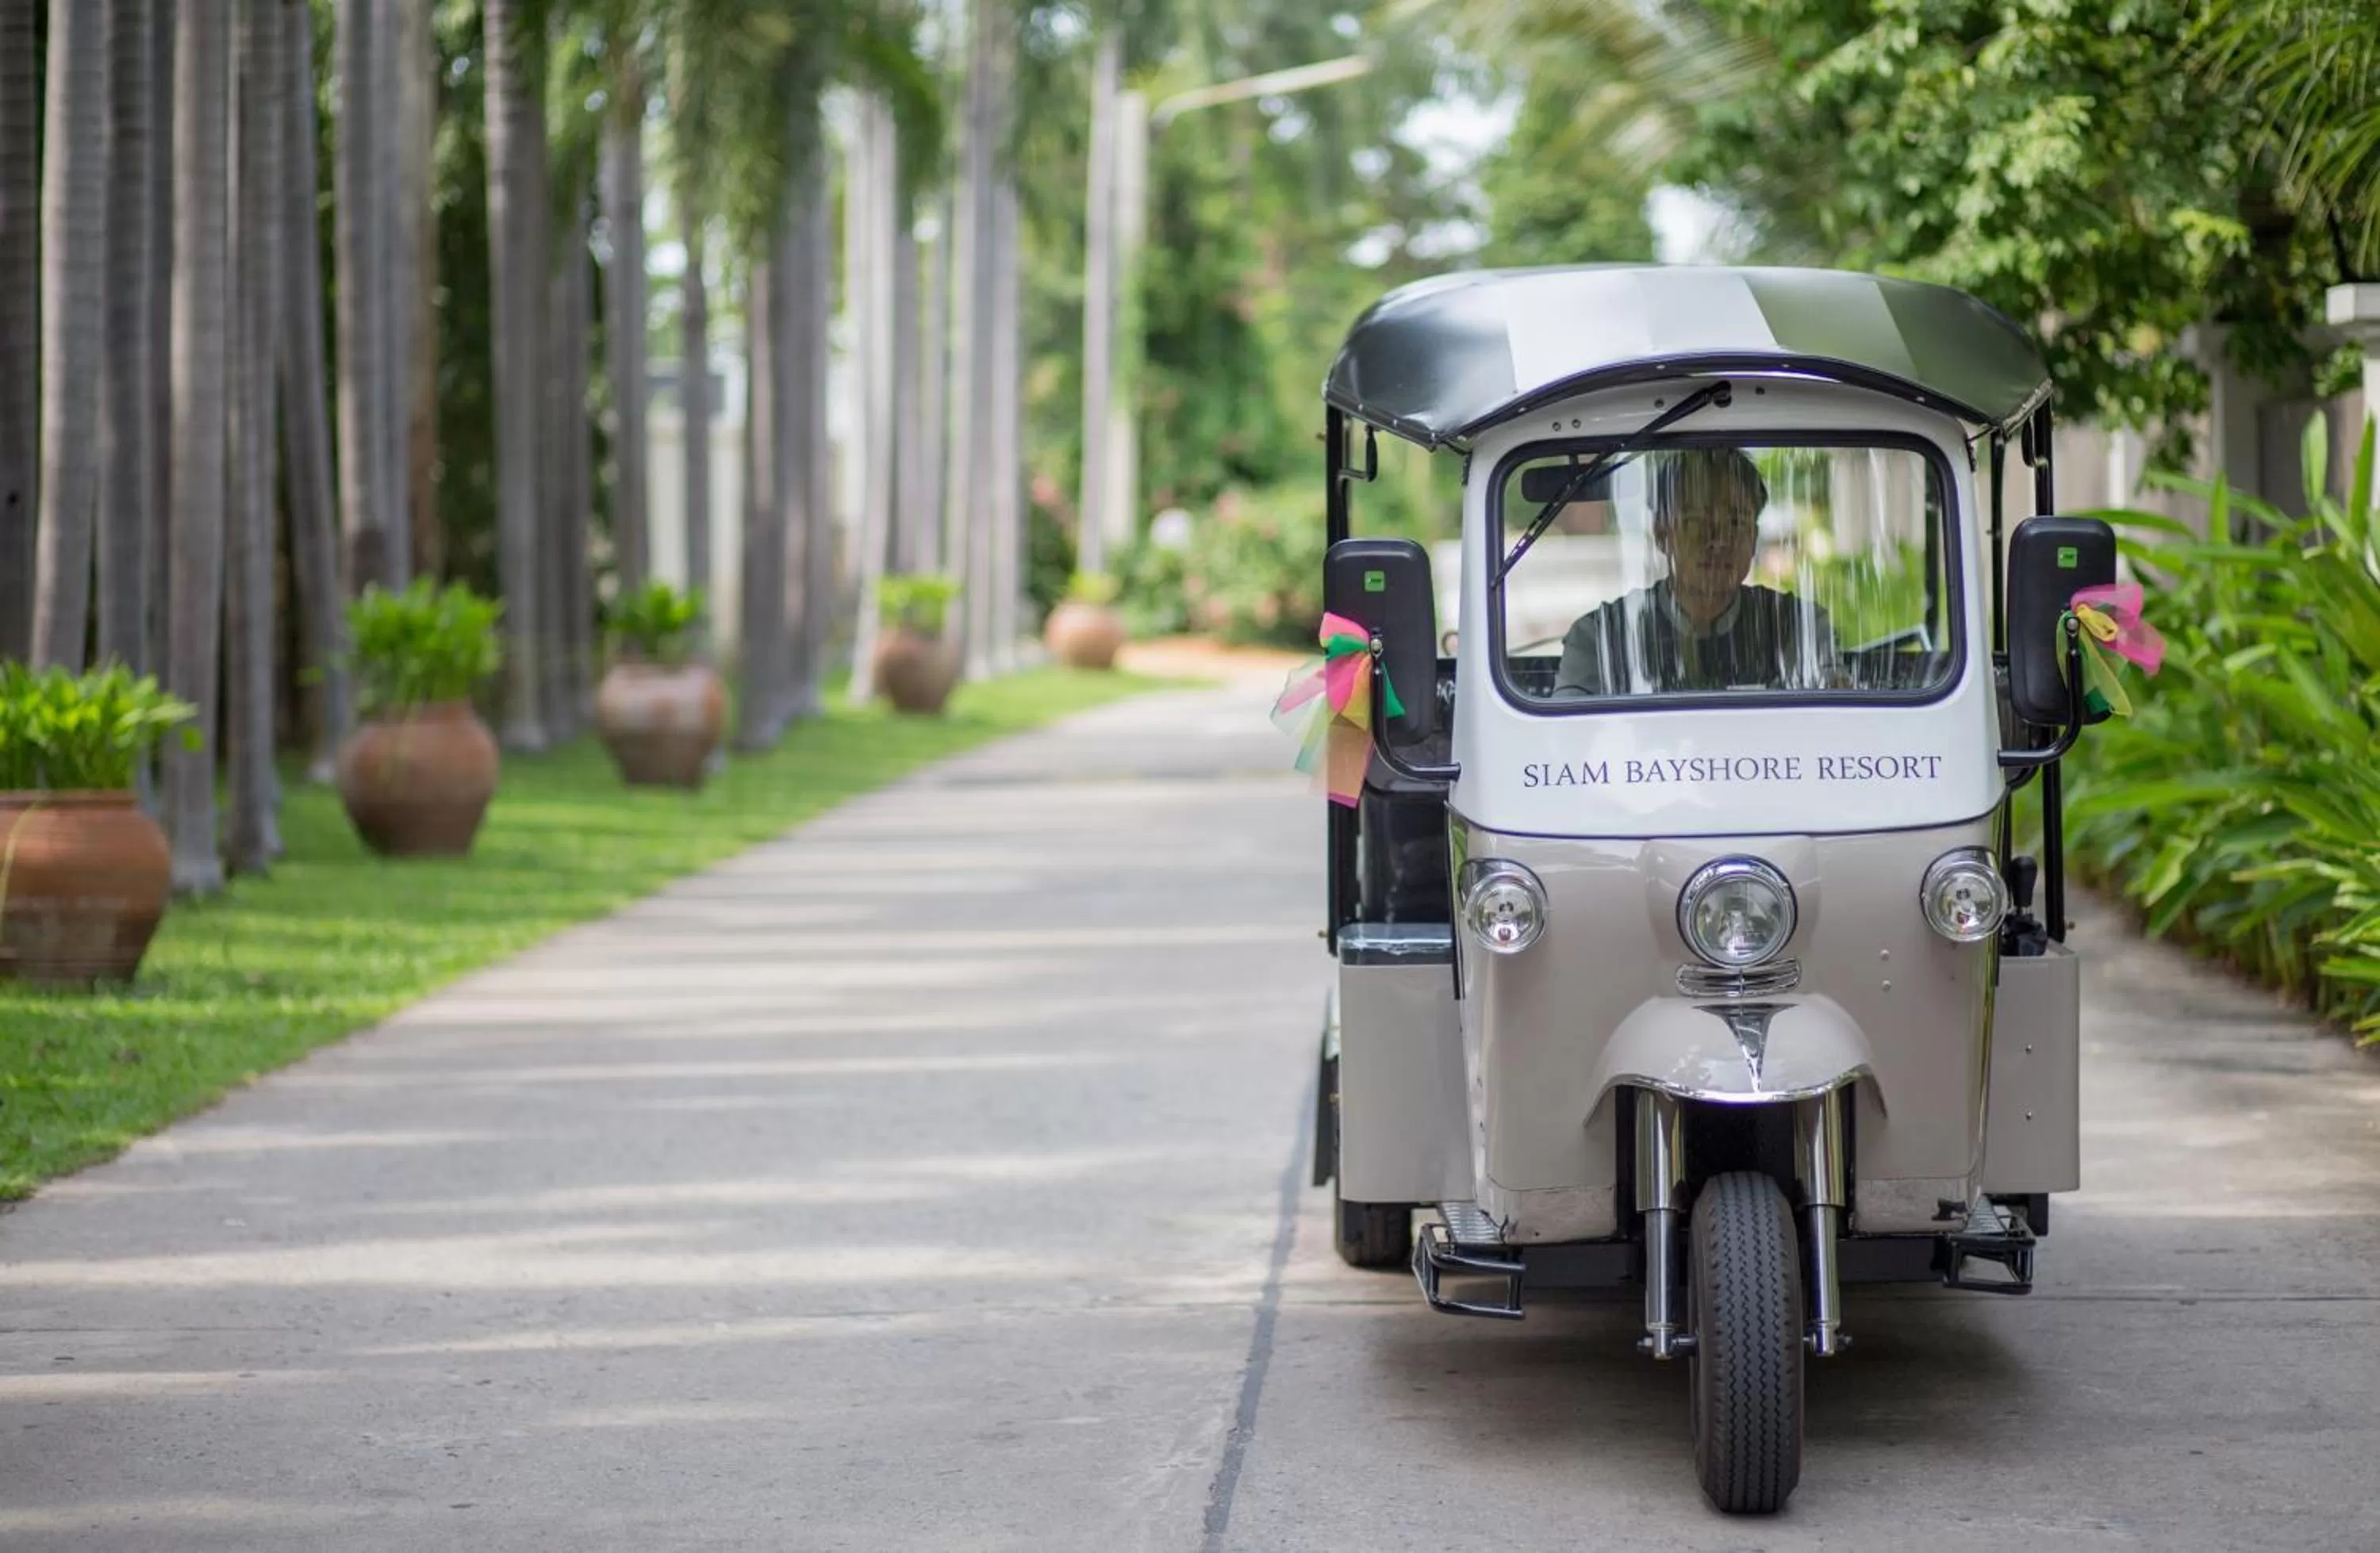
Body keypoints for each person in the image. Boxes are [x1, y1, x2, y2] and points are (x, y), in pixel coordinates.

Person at [1553, 447, 1839, 696]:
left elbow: (1834, 719)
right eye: (1696, 520)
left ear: (1754, 537)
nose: (1718, 539)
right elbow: (1567, 740)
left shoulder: (1799, 627)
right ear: (1662, 534)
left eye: (1736, 521)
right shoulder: (1601, 637)